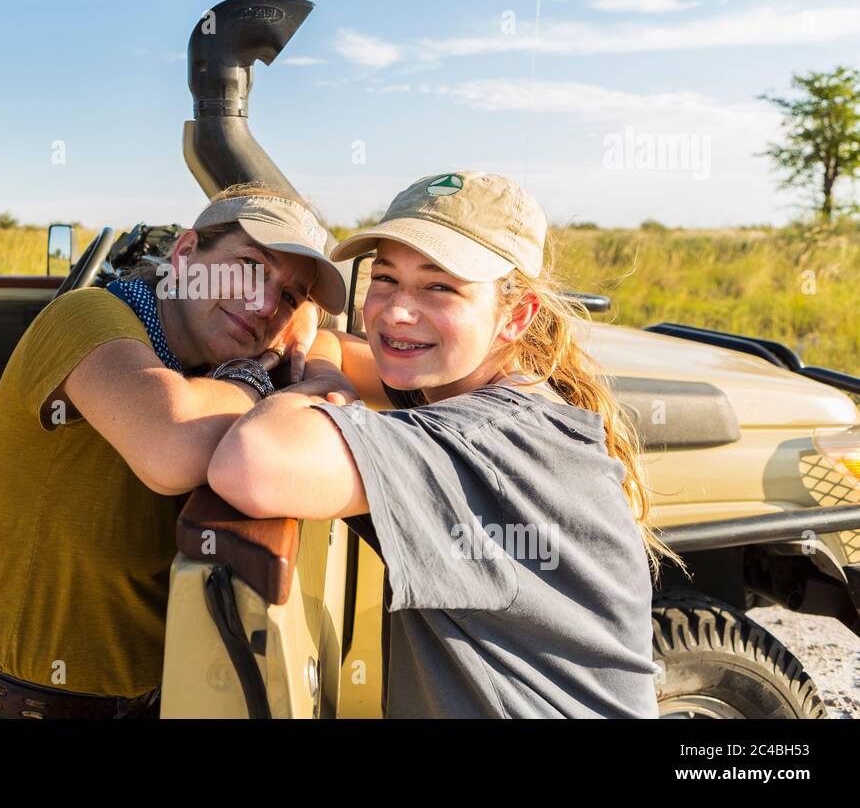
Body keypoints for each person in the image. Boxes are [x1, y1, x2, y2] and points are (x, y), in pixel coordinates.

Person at [208, 171, 678, 718]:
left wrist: (310, 389)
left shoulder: (485, 442)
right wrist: (326, 373)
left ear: (516, 315)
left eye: (440, 286)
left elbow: (251, 464)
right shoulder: (482, 392)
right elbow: (334, 343)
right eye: (384, 279)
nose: (396, 312)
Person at [0, 183, 351, 718]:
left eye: (289, 295)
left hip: (154, 691)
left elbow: (339, 347)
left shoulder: (212, 346)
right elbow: (173, 445)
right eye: (249, 266)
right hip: (28, 702)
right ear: (185, 255)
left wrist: (306, 344)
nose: (262, 305)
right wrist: (262, 372)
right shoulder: (86, 317)